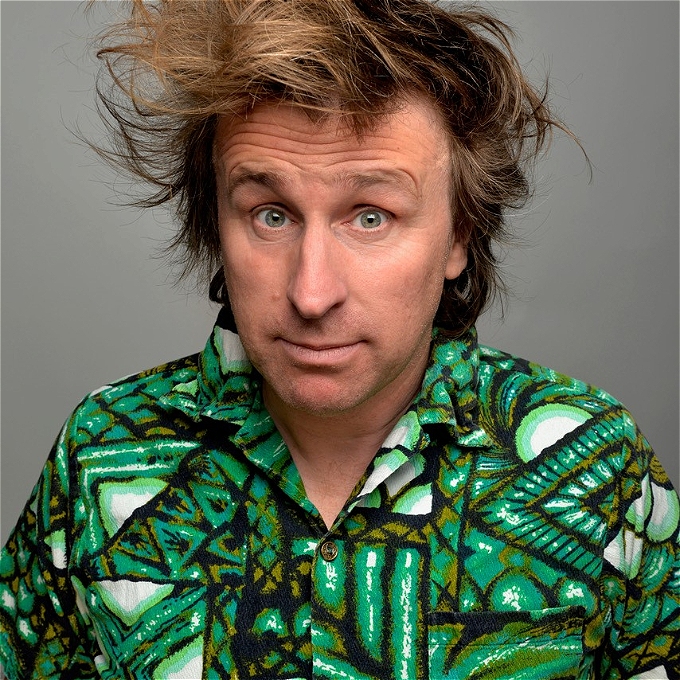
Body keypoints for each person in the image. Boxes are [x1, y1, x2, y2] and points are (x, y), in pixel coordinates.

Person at [1, 0, 678, 678]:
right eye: (270, 215)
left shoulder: (595, 468)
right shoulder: (102, 454)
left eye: (371, 216)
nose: (311, 292)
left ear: (460, 232)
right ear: (216, 222)